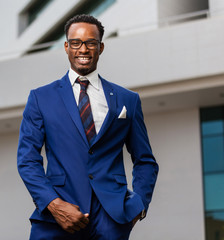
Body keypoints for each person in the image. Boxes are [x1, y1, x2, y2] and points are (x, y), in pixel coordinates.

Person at [17, 14, 159, 240]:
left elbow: (145, 160)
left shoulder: (127, 99)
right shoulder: (40, 98)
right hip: (56, 217)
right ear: (66, 46)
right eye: (76, 42)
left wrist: (139, 205)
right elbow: (27, 159)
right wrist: (53, 204)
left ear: (100, 47)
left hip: (112, 219)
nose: (83, 49)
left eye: (90, 43)